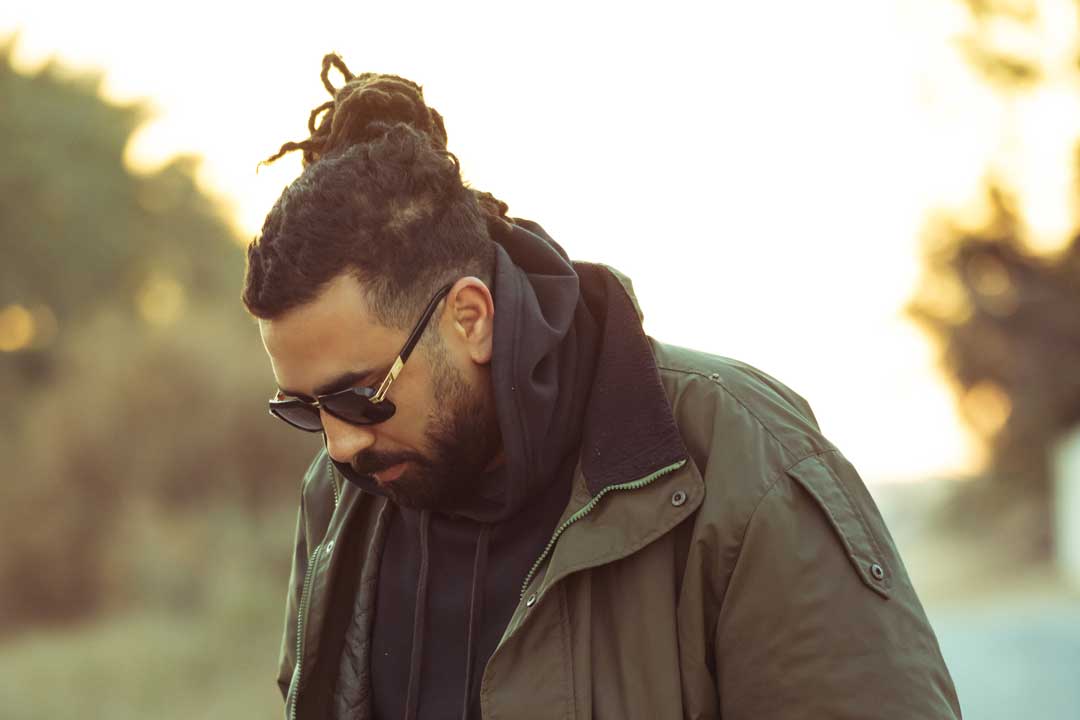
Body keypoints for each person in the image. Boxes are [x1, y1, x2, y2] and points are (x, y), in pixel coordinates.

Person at [243, 53, 962, 720]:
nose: (340, 443)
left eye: (358, 394)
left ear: (470, 318)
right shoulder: (342, 495)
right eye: (304, 410)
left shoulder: (745, 461)